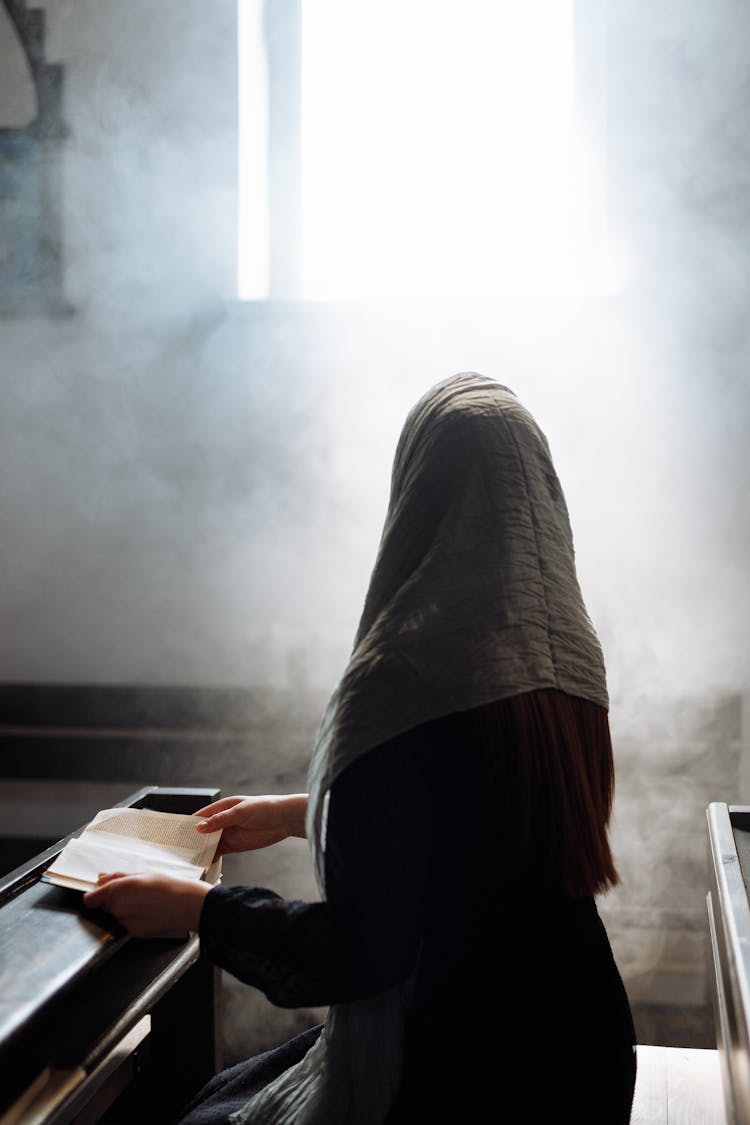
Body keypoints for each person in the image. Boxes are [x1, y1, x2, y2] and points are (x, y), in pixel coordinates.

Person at [83, 373, 637, 1124]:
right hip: (582, 1051)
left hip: (463, 1068)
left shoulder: (401, 671)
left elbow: (362, 951)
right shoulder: (570, 666)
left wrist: (199, 908)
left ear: (418, 493)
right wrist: (299, 813)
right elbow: (480, 830)